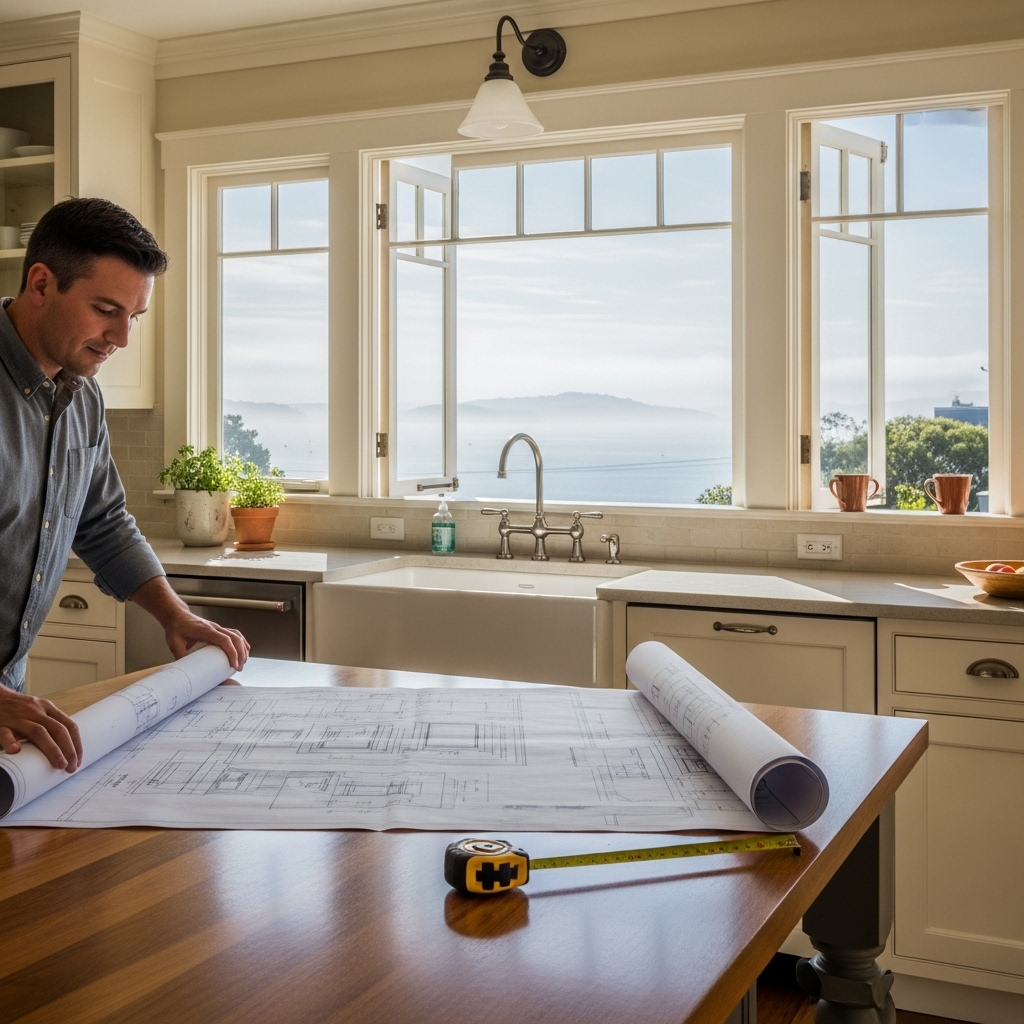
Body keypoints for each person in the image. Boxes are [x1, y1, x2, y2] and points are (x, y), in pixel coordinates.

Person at [0, 197, 249, 775]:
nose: (121, 337)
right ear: (41, 283)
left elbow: (102, 520)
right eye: (105, 309)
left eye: (133, 317)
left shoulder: (81, 395)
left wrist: (173, 615)